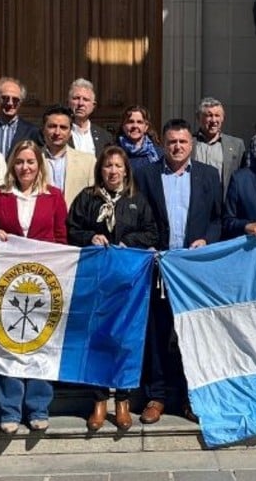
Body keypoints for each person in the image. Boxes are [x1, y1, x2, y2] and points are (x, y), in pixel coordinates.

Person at [67, 146, 159, 431]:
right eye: (108, 166)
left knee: (124, 340)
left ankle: (122, 400)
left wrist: (128, 242)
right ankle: (98, 401)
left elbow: (152, 233)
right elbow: (71, 229)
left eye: (118, 166)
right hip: (96, 284)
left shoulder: (137, 200)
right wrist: (90, 237)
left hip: (128, 286)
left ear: (126, 171)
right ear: (100, 170)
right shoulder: (87, 198)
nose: (113, 171)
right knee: (96, 339)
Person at [0, 140, 68, 435]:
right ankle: (9, 409)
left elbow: (61, 237)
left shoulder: (53, 196)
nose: (25, 167)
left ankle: (38, 407)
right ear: (12, 166)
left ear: (39, 165)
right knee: (8, 343)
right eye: (19, 162)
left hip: (45, 282)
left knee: (41, 343)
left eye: (31, 162)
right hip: (9, 283)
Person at [138, 120, 223, 424]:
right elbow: (139, 216)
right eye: (172, 142)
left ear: (192, 145)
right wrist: (147, 244)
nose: (177, 147)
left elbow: (218, 219)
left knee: (193, 333)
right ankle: (157, 396)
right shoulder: (146, 174)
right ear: (163, 144)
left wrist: (207, 240)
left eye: (183, 142)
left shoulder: (209, 175)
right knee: (158, 332)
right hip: (158, 266)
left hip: (193, 271)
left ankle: (192, 396)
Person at [40, 105, 96, 208]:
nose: (57, 132)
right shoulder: (32, 160)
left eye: (63, 127)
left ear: (70, 132)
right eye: (52, 126)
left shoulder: (88, 162)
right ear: (43, 129)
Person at [191, 97, 246, 192]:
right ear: (198, 118)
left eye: (217, 115)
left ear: (223, 118)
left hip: (222, 199)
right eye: (209, 115)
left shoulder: (237, 145)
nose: (213, 120)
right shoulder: (189, 142)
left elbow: (243, 177)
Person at [0, 76, 39, 159]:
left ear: (20, 102)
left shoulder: (31, 131)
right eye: (5, 98)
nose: (10, 103)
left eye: (15, 99)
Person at [67, 78, 113, 155]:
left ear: (93, 105)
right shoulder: (60, 133)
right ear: (68, 102)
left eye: (85, 99)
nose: (80, 103)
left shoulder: (104, 137)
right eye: (76, 98)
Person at [117, 105, 161, 171]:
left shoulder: (158, 154)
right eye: (130, 122)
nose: (135, 126)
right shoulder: (114, 152)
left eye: (139, 122)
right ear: (123, 126)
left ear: (146, 127)